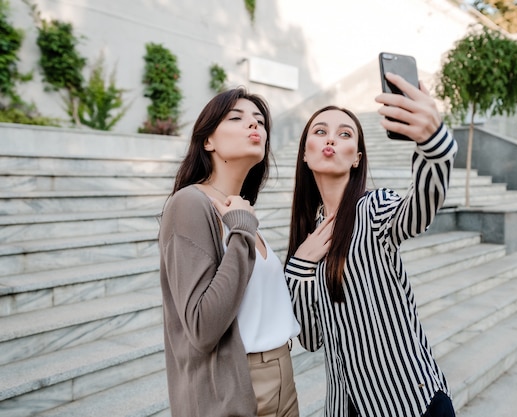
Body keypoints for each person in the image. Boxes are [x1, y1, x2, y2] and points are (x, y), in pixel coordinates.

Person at [284, 72, 458, 416]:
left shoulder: (374, 207)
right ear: (305, 154)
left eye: (344, 133)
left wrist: (433, 143)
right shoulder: (308, 240)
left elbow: (419, 211)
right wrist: (300, 265)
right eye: (320, 131)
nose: (331, 138)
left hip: (410, 402)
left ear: (357, 158)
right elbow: (311, 338)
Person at [158, 87, 301, 417]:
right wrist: (241, 231)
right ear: (208, 140)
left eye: (260, 121)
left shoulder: (242, 212)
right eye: (236, 118)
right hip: (233, 384)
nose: (254, 126)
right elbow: (202, 326)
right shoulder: (190, 204)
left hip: (282, 375)